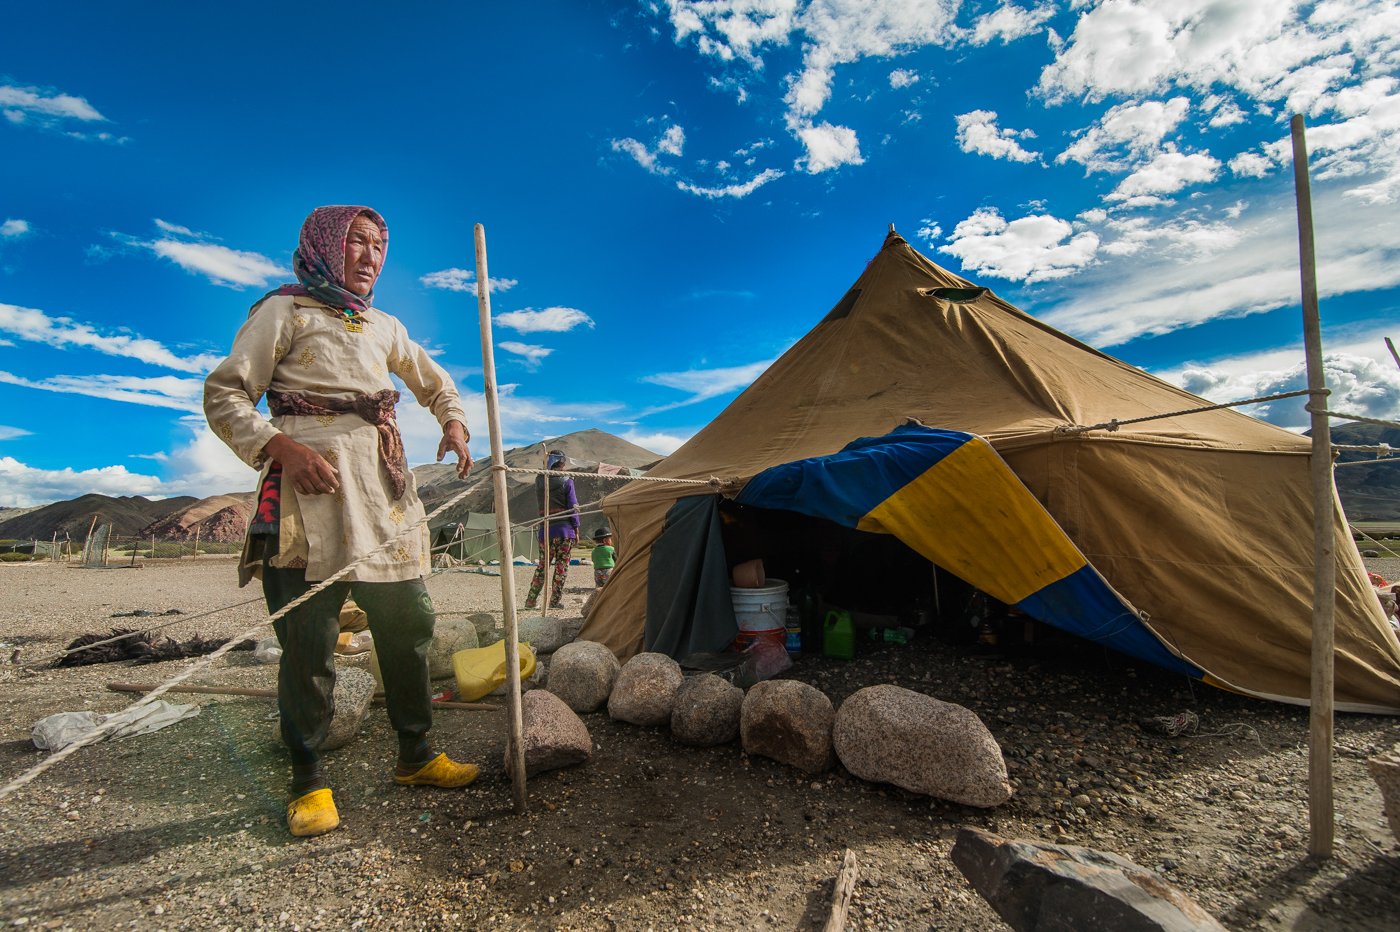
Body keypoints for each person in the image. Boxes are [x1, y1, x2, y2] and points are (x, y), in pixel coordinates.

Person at [204, 205, 478, 838]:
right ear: (326, 243)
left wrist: (454, 421)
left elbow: (433, 380)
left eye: (381, 245)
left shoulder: (384, 325)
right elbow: (225, 394)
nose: (372, 255)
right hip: (309, 498)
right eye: (359, 241)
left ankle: (415, 754)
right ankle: (306, 776)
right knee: (309, 643)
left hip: (382, 495)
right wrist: (282, 448)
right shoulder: (283, 311)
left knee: (410, 623)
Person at [524, 449, 578, 609]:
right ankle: (554, 602)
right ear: (562, 463)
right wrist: (576, 528)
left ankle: (530, 600)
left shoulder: (540, 480)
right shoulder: (567, 480)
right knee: (561, 567)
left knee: (542, 566)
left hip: (545, 531)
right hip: (565, 531)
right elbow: (573, 507)